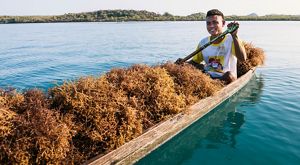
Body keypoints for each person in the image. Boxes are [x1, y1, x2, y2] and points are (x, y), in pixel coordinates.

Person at [176, 9, 247, 84]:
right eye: (208, 23)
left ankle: (211, 84)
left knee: (228, 75)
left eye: (215, 22)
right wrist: (183, 63)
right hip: (208, 77)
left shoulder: (232, 39)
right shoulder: (203, 42)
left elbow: (243, 59)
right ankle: (209, 83)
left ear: (223, 23)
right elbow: (194, 62)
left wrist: (234, 35)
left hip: (225, 78)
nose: (211, 26)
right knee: (199, 67)